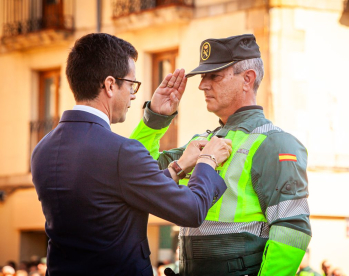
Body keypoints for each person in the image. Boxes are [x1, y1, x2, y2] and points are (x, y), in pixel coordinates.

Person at [31, 33, 231, 276]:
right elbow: (191, 210)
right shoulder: (121, 152)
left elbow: (113, 199)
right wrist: (207, 161)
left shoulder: (42, 149)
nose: (134, 95)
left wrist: (178, 167)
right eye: (131, 84)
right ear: (109, 85)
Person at [131, 34, 311, 275]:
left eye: (214, 76)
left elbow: (292, 231)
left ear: (248, 79)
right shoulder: (199, 144)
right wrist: (155, 118)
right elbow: (136, 174)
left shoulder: (275, 143)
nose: (202, 85)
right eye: (203, 76)